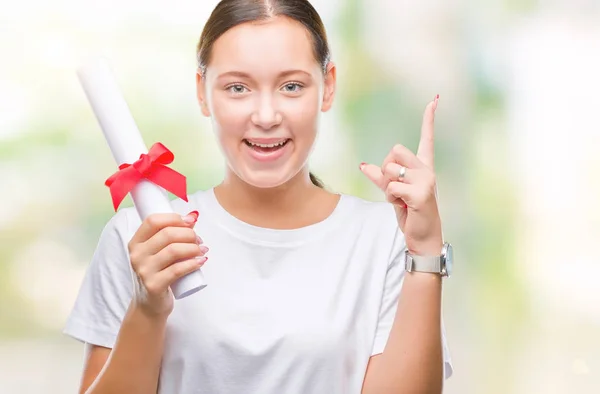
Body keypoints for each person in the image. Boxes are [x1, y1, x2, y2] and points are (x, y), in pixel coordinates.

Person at [64, 0, 454, 393]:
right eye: (237, 87)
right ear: (202, 92)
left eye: (291, 86)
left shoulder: (387, 239)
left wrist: (424, 250)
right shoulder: (142, 238)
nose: (266, 116)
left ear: (328, 86)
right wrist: (148, 308)